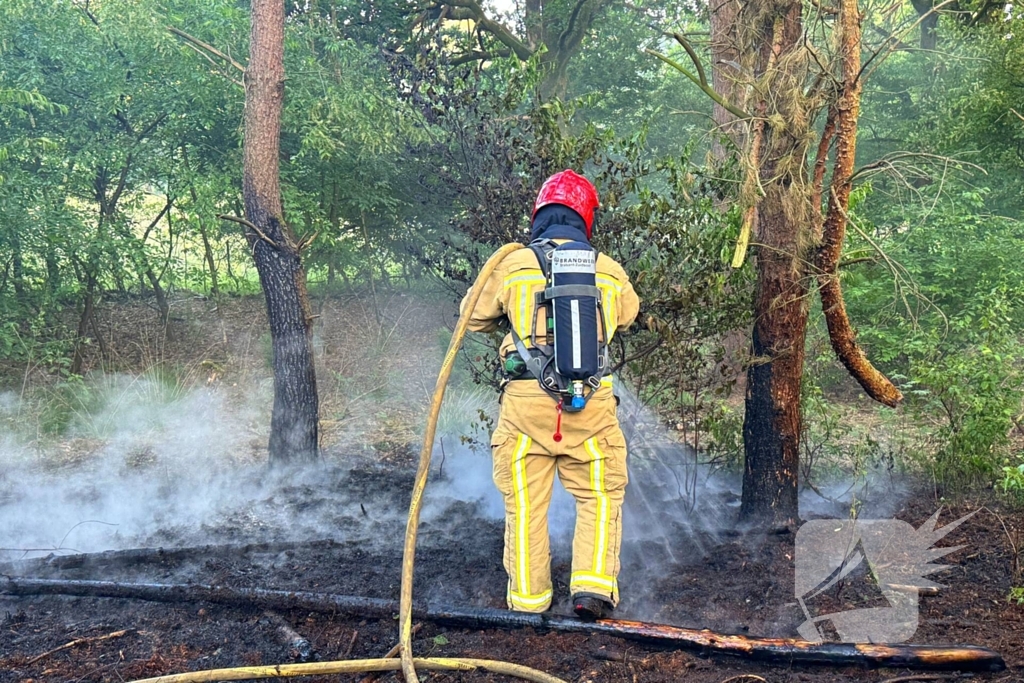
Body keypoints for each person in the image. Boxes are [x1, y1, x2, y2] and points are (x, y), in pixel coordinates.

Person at [460, 169, 640, 620]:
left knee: (525, 504)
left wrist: (513, 317)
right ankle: (593, 590)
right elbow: (628, 315)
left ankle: (529, 600)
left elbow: (472, 317)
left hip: (525, 404)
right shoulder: (608, 269)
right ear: (585, 218)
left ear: (539, 215)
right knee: (600, 496)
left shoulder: (514, 264)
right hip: (590, 403)